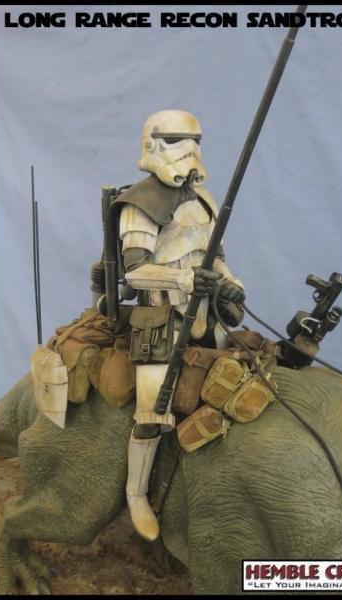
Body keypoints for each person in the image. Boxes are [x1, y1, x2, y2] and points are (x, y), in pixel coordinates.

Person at [111, 110, 245, 541]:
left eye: (195, 140)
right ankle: (136, 494)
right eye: (176, 139)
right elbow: (135, 273)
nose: (189, 149)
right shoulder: (139, 204)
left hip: (208, 315)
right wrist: (184, 279)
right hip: (162, 318)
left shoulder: (204, 199)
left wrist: (230, 282)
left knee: (231, 391)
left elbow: (216, 256)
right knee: (152, 412)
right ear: (152, 143)